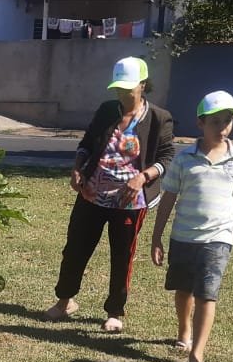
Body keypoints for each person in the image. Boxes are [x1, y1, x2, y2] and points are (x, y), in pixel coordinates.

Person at [44, 57, 175, 332]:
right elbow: (87, 144)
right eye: (118, 87)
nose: (121, 93)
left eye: (127, 88)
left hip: (130, 202)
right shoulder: (106, 111)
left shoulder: (158, 118)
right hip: (91, 194)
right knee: (75, 249)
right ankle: (65, 301)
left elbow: (167, 157)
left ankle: (115, 311)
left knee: (122, 256)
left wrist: (143, 177)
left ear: (142, 85)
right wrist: (78, 169)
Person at [149, 91, 233, 362]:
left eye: (228, 121)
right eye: (215, 121)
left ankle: (197, 354)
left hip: (218, 238)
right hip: (184, 235)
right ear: (200, 123)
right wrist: (157, 237)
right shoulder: (185, 159)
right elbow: (168, 198)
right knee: (184, 291)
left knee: (207, 294)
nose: (222, 127)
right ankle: (184, 330)